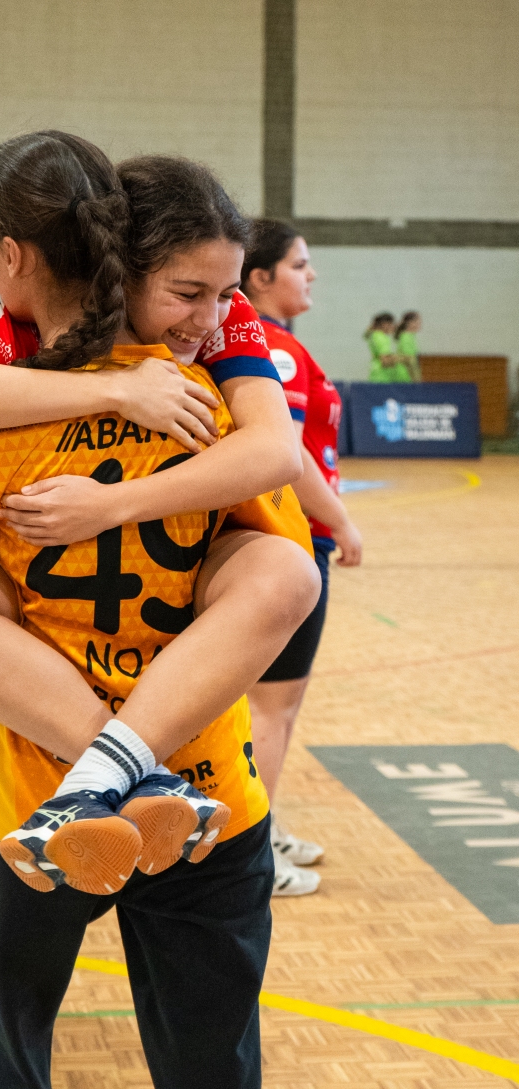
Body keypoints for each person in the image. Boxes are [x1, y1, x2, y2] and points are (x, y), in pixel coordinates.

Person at [0, 134, 320, 1089]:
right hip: (178, 787)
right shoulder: (205, 400)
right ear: (122, 269)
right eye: (189, 292)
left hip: (55, 794)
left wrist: (111, 499)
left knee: (24, 1062)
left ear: (13, 253)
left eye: (223, 292)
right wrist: (127, 396)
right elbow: (280, 492)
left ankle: (104, 771)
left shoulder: (2, 402)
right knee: (205, 1085)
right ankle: (130, 769)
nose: (214, 313)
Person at [242, 219, 363, 895]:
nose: (311, 274)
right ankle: (252, 852)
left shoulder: (267, 342)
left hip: (286, 539)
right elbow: (283, 454)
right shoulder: (277, 348)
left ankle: (265, 826)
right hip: (292, 538)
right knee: (271, 708)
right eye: (298, 264)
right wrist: (340, 521)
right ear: (260, 277)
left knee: (277, 704)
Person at [365, 312, 410, 382]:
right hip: (383, 377)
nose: (393, 327)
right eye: (392, 324)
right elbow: (385, 361)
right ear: (385, 324)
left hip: (377, 375)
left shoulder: (375, 335)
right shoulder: (381, 338)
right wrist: (403, 358)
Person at [396, 310, 422, 381]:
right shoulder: (406, 337)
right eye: (417, 322)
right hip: (406, 375)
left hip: (408, 374)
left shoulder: (410, 336)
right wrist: (416, 378)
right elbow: (409, 359)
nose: (419, 325)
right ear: (409, 323)